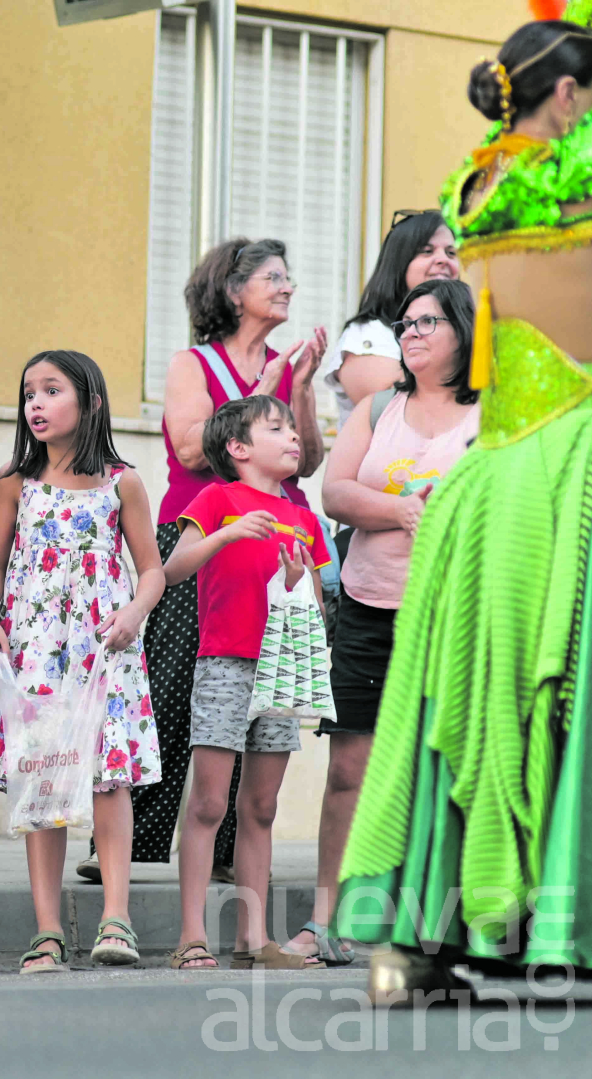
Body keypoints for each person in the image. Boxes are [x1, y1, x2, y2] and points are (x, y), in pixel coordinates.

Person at [339, 15, 592, 998]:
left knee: (456, 696)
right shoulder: (569, 182)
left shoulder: (473, 188)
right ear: (567, 97)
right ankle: (552, 914)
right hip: (570, 456)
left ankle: (423, 931)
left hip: (489, 474)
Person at [282, 279, 480, 967]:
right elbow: (335, 492)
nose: (412, 333)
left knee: (446, 770)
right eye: (406, 323)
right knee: (349, 769)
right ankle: (325, 921)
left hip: (455, 615)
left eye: (428, 322)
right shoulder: (377, 407)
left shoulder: (490, 416)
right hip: (370, 608)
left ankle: (440, 924)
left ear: (463, 332)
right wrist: (400, 510)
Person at [124, 239, 326, 886]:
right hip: (201, 531)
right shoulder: (194, 362)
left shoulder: (286, 365)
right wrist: (259, 391)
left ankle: (227, 851)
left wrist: (300, 391)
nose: (287, 287)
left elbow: (307, 461)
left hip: (274, 540)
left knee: (256, 688)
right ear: (234, 291)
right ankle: (133, 842)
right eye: (273, 277)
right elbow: (192, 450)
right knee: (171, 686)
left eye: (287, 277)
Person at [0, 350, 165, 972]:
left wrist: (134, 613)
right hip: (35, 649)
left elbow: (152, 570)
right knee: (43, 777)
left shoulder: (122, 482)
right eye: (28, 392)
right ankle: (48, 929)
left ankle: (117, 919)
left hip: (104, 648)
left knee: (110, 779)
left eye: (51, 390)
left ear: (91, 402)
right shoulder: (14, 481)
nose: (35, 402)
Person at [162, 396, 331, 971]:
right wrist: (228, 536)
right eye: (276, 428)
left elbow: (316, 610)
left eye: (292, 429)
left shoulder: (304, 518)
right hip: (225, 666)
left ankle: (253, 939)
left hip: (279, 669)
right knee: (209, 803)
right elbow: (173, 570)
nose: (293, 437)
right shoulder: (217, 499)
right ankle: (191, 936)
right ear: (237, 448)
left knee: (260, 806)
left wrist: (297, 580)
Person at [320, 212, 461, 431]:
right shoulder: (367, 334)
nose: (444, 260)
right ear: (399, 263)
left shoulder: (467, 330)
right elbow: (399, 408)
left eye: (451, 252)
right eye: (427, 251)